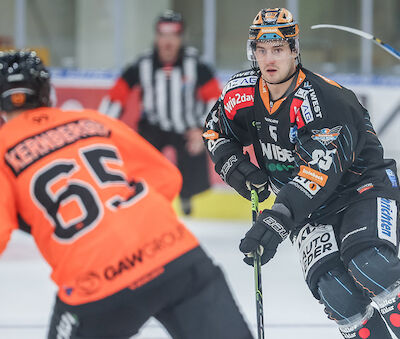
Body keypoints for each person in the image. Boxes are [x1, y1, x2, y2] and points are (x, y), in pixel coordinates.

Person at [202, 7, 400, 339]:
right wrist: (236, 168)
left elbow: (319, 173)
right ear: (252, 52)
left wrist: (277, 218)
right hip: (308, 210)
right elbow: (215, 133)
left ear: (295, 50)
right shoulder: (240, 93)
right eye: (261, 50)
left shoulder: (324, 100)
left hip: (362, 188)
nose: (269, 59)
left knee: (371, 265)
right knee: (338, 293)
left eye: (279, 49)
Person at [0, 50, 252, 339]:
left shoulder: (3, 147)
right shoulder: (92, 121)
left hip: (96, 285)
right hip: (175, 255)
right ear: (46, 91)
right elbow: (166, 178)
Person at [100, 9, 221, 215]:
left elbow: (216, 99)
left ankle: (187, 195)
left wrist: (203, 129)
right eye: (163, 35)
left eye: (173, 35)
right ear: (156, 37)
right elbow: (118, 94)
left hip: (187, 127)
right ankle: (142, 197)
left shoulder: (195, 64)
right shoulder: (143, 64)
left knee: (194, 154)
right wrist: (103, 126)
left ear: (181, 38)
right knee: (140, 160)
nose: (168, 42)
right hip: (153, 125)